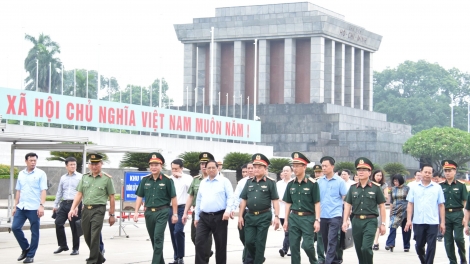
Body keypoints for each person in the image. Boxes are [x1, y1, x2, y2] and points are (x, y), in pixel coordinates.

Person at [68, 154, 116, 264]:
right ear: (89, 165)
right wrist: (72, 208)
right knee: (87, 236)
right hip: (85, 210)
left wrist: (112, 215)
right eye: (92, 164)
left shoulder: (107, 179)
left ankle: (92, 260)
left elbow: (112, 197)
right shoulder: (85, 177)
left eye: (97, 164)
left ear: (101, 164)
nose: (94, 166)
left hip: (99, 209)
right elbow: (79, 194)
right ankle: (99, 258)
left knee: (95, 235)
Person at [133, 152, 177, 264]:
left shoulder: (167, 180)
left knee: (158, 237)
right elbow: (139, 196)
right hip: (149, 213)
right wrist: (136, 212)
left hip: (162, 211)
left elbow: (173, 197)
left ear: (161, 166)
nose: (153, 167)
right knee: (153, 239)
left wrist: (175, 214)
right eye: (151, 165)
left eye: (156, 165)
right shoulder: (145, 180)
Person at [342, 157, 386, 264]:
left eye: (364, 170)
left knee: (366, 248)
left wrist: (383, 223)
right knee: (358, 249)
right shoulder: (353, 188)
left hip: (370, 221)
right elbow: (347, 204)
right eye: (359, 170)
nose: (360, 172)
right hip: (356, 221)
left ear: (369, 172)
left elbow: (382, 206)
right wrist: (345, 220)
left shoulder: (376, 187)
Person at [238, 153, 280, 264]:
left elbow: (275, 200)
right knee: (249, 242)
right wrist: (240, 216)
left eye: (259, 167)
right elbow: (244, 200)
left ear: (265, 169)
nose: (256, 169)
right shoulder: (248, 182)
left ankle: (257, 260)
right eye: (254, 167)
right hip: (250, 216)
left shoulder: (270, 183)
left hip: (264, 216)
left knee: (260, 243)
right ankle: (259, 258)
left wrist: (276, 216)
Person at [283, 152, 321, 264]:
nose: (294, 169)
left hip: (308, 218)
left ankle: (314, 262)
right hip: (294, 218)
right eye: (293, 166)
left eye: (297, 166)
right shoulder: (291, 184)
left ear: (304, 167)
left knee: (308, 246)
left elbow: (317, 203)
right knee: (294, 246)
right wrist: (286, 220)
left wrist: (317, 220)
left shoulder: (313, 184)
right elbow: (288, 203)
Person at [194, 160, 234, 264]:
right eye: (209, 168)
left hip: (220, 216)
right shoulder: (203, 182)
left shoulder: (224, 181)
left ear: (217, 168)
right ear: (205, 169)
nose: (211, 170)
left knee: (220, 245)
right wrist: (196, 217)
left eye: (213, 167)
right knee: (199, 242)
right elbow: (198, 200)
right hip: (204, 217)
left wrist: (228, 211)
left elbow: (230, 197)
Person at [404, 164, 445, 264]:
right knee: (419, 245)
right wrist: (409, 220)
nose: (427, 174)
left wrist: (442, 222)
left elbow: (441, 205)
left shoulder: (437, 187)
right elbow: (410, 204)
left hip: (432, 222)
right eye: (425, 172)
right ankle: (424, 261)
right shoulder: (414, 187)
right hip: (418, 221)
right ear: (421, 172)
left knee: (431, 246)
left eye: (429, 172)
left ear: (432, 174)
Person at [12, 152, 48, 263]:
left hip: (34, 208)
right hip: (21, 207)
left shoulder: (41, 173)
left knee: (34, 232)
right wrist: (15, 206)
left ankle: (31, 255)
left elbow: (43, 190)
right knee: (15, 227)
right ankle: (26, 248)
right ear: (26, 161)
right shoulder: (21, 174)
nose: (33, 162)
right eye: (31, 160)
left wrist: (41, 206)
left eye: (35, 160)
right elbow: (18, 190)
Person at [182, 152, 214, 263]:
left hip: (211, 213)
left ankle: (204, 257)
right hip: (197, 212)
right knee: (194, 237)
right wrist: (185, 212)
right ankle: (206, 251)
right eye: (202, 163)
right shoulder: (196, 180)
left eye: (206, 163)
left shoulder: (217, 179)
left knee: (206, 238)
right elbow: (190, 196)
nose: (204, 166)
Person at [318, 156, 347, 264]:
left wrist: (346, 218)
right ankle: (333, 260)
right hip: (322, 215)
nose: (324, 168)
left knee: (332, 239)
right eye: (322, 166)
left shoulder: (340, 182)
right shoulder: (319, 182)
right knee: (325, 240)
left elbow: (345, 199)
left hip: (335, 215)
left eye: (326, 166)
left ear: (332, 166)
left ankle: (328, 262)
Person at [53, 157, 82, 256]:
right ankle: (63, 245)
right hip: (64, 203)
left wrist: (77, 206)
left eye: (74, 164)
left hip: (75, 204)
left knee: (74, 227)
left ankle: (75, 248)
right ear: (66, 166)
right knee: (58, 223)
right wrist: (55, 205)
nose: (73, 166)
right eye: (71, 164)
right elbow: (59, 192)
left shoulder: (80, 177)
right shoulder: (63, 177)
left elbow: (82, 193)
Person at [440, 160, 468, 264]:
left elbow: (466, 202)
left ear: (455, 171)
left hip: (458, 214)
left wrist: (466, 218)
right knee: (448, 241)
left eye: (449, 170)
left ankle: (463, 258)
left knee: (459, 238)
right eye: (445, 171)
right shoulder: (440, 186)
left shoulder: (461, 186)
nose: (447, 173)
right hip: (445, 215)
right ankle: (452, 261)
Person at [168, 159, 193, 264]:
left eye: (176, 169)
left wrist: (181, 177)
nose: (174, 171)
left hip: (182, 207)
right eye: (172, 169)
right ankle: (176, 257)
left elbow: (191, 190)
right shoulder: (169, 179)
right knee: (172, 232)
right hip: (170, 208)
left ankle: (181, 257)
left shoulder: (188, 178)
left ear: (181, 168)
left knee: (178, 230)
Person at [232, 162, 254, 264]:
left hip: (256, 213)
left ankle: (246, 259)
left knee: (250, 238)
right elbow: (236, 197)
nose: (250, 170)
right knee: (242, 235)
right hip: (244, 212)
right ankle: (253, 253)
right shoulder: (242, 182)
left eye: (252, 168)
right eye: (248, 168)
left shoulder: (264, 181)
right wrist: (232, 209)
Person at [385, 174, 411, 252]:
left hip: (405, 210)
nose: (395, 182)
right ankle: (390, 244)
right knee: (392, 226)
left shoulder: (407, 188)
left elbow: (410, 201)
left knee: (406, 229)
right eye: (394, 181)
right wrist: (390, 211)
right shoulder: (393, 189)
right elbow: (392, 201)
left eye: (397, 181)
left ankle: (406, 246)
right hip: (395, 210)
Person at [277, 166, 293, 257]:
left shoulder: (294, 182)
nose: (285, 172)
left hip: (292, 212)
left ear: (291, 172)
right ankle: (289, 248)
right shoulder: (279, 184)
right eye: (284, 171)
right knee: (286, 231)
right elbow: (275, 196)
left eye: (287, 171)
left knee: (289, 231)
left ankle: (284, 249)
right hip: (282, 212)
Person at [370, 169, 388, 250]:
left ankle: (376, 242)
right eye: (377, 175)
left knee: (377, 224)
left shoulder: (384, 185)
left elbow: (386, 196)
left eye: (380, 176)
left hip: (379, 207)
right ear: (373, 175)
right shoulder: (370, 184)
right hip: (370, 207)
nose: (379, 177)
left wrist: (379, 198)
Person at [312, 164, 326, 264]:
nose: (317, 174)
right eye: (316, 172)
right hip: (314, 214)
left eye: (319, 172)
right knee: (318, 237)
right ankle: (320, 257)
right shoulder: (312, 183)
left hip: (327, 213)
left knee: (323, 236)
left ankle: (323, 257)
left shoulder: (326, 182)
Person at [433, 173, 444, 242]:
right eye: (435, 179)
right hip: (435, 206)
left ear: (441, 178)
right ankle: (438, 235)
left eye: (437, 179)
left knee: (441, 220)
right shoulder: (433, 186)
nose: (436, 180)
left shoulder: (442, 186)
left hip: (442, 206)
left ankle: (440, 234)